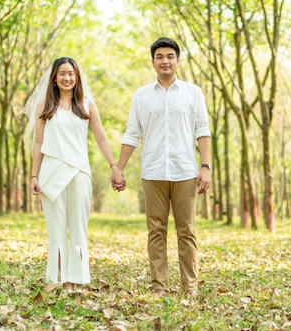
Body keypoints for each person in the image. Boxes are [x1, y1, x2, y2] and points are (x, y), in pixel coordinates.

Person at [115, 37, 211, 297]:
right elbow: (132, 134)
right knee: (155, 231)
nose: (165, 60)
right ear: (153, 62)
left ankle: (190, 286)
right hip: (153, 171)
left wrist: (206, 166)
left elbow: (202, 130)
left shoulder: (193, 93)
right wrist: (118, 168)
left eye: (170, 56)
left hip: (185, 172)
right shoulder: (141, 96)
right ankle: (159, 285)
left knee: (187, 231)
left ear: (178, 61)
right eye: (160, 56)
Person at [25, 57, 124, 293]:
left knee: (78, 227)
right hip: (51, 173)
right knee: (57, 228)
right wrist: (34, 175)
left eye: (71, 73)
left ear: (77, 77)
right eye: (62, 73)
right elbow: (38, 141)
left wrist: (114, 165)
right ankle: (58, 279)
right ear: (54, 78)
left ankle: (76, 280)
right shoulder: (43, 106)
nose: (67, 77)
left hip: (79, 172)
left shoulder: (87, 105)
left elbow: (101, 137)